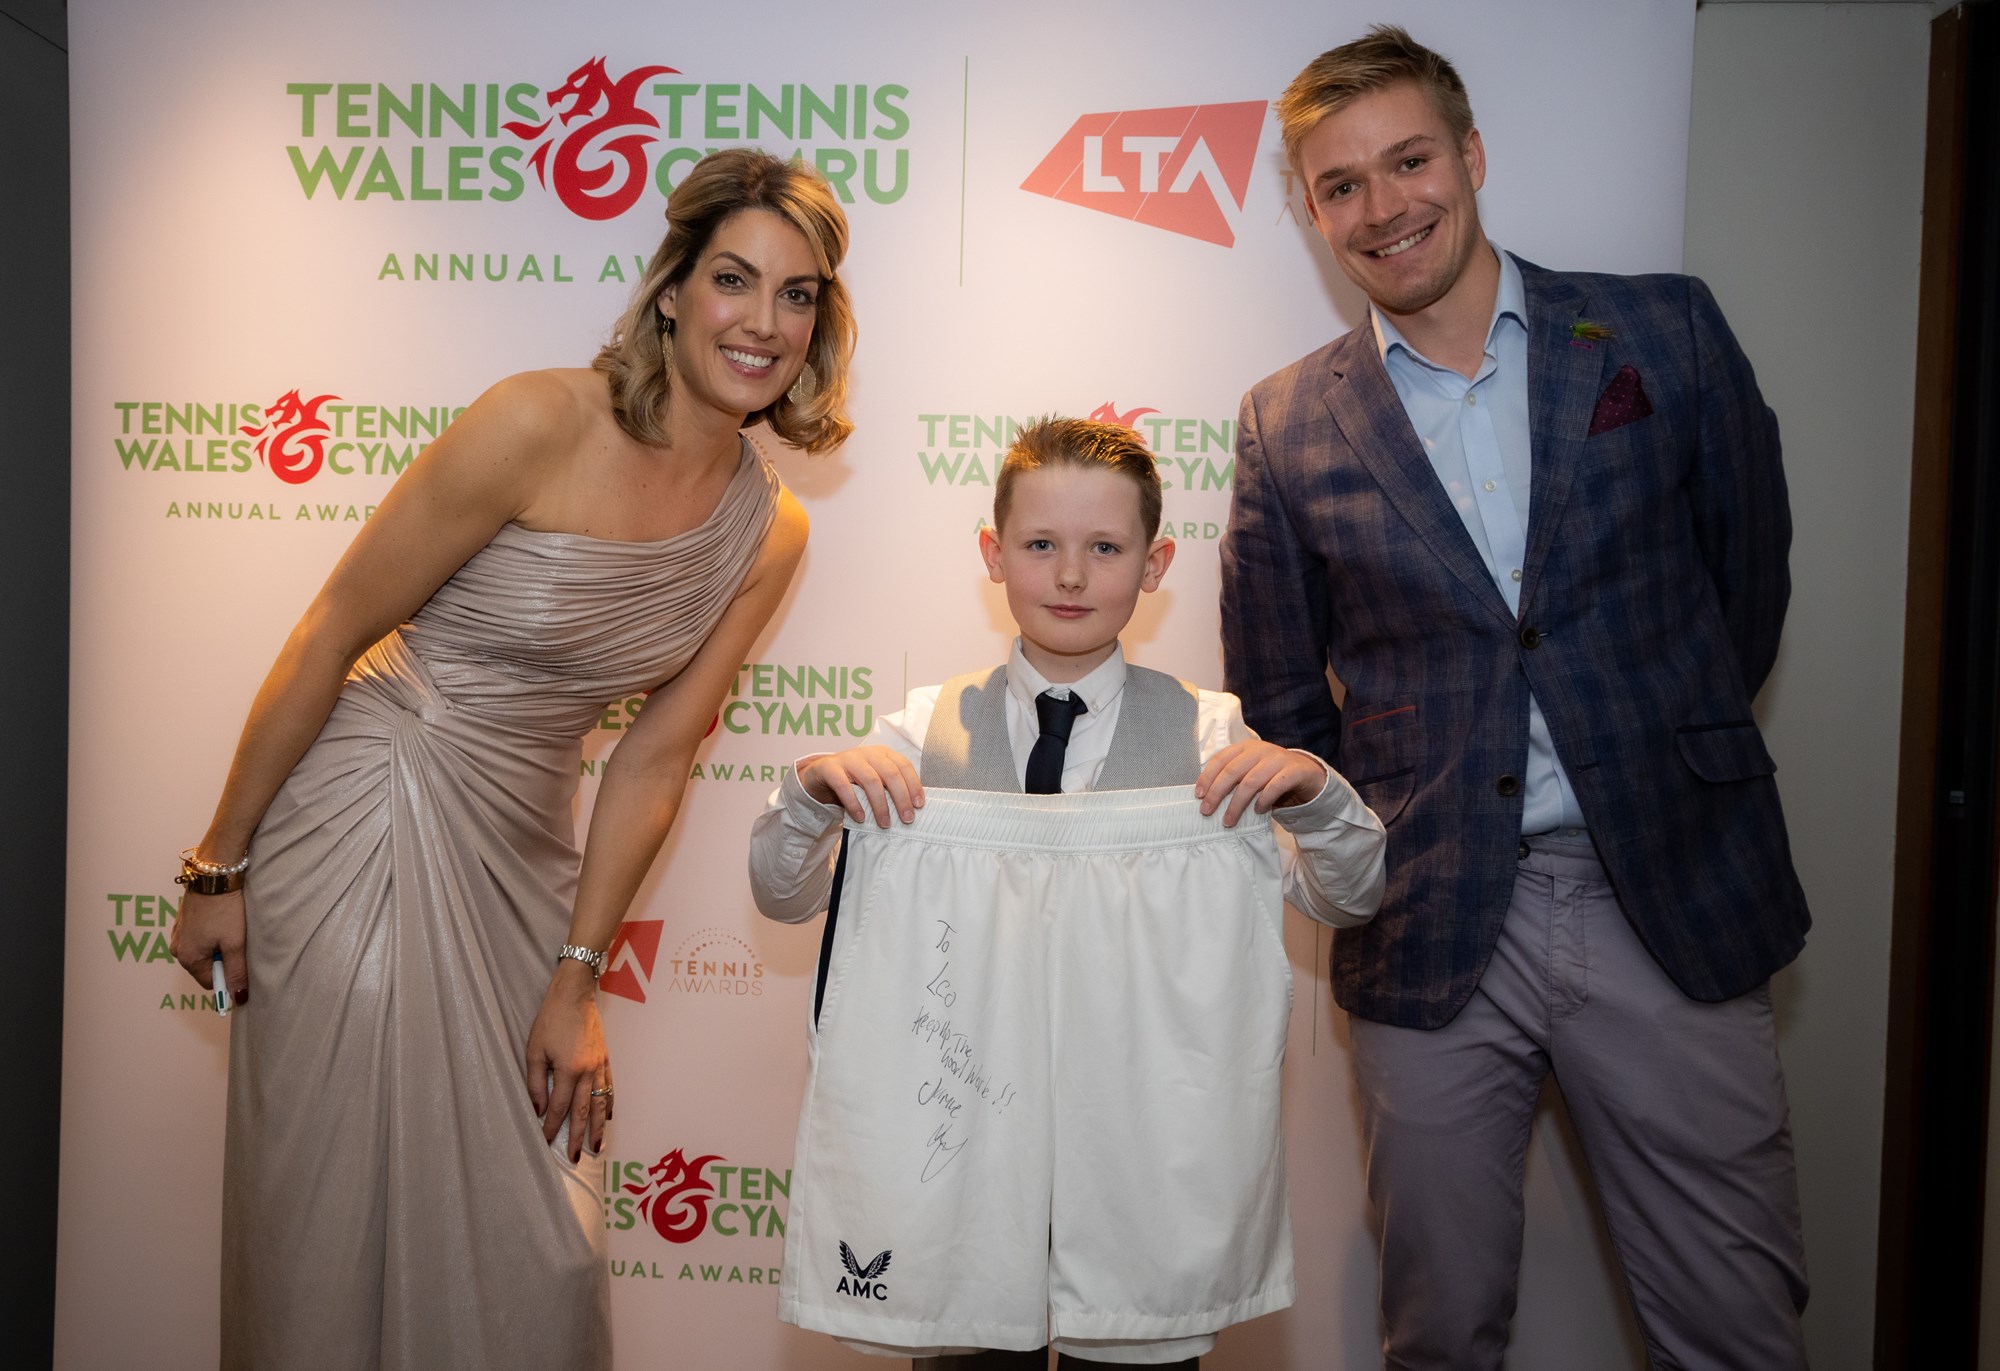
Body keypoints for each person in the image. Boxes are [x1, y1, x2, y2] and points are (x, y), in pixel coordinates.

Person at [168, 148, 856, 1371]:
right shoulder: (534, 419)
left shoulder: (770, 527)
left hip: (527, 852)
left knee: (541, 1236)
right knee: (330, 1199)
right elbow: (333, 629)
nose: (761, 322)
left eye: (796, 294)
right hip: (366, 813)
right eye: (733, 280)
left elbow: (652, 761)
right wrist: (218, 864)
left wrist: (576, 976)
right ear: (670, 290)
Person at [1219, 25, 1812, 1369]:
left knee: (1736, 1326)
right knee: (1440, 1331)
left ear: (1471, 154)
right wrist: (1372, 842)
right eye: (1342, 184)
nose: (1386, 205)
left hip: (1663, 887)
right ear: (1314, 214)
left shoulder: (1662, 327)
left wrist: (1643, 744)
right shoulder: (1285, 422)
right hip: (1426, 916)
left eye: (1411, 159)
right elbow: (1276, 693)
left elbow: (1743, 590)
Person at [749, 417, 1386, 1368]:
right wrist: (808, 796)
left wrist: (1319, 794)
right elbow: (784, 895)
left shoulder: (1213, 736)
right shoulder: (921, 731)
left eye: (1105, 548)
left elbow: (1351, 897)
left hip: (1143, 1155)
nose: (1073, 576)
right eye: (1042, 545)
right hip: (955, 1147)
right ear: (993, 556)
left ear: (1157, 560)